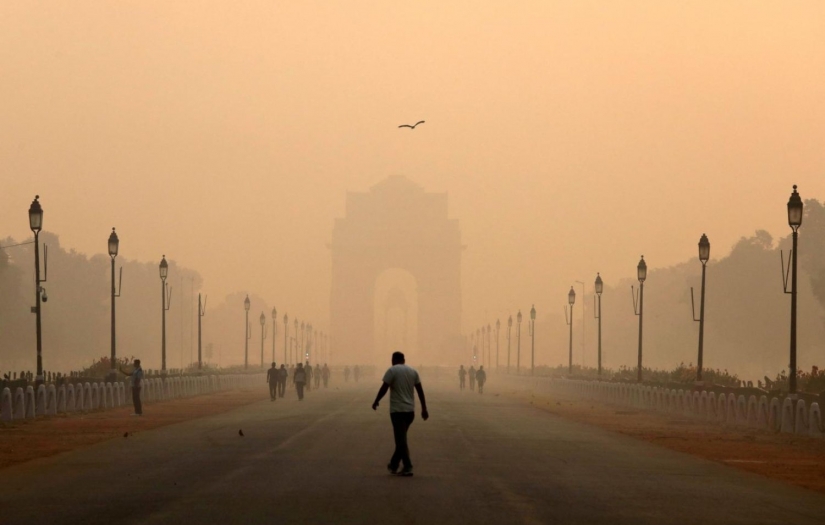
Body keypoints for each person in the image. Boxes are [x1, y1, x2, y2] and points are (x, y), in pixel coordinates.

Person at [372, 352, 429, 477]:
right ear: (404, 360)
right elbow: (420, 391)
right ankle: (393, 464)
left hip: (397, 411)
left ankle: (408, 466)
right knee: (401, 439)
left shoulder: (392, 370)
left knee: (401, 441)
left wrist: (376, 400)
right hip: (410, 412)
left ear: (393, 360)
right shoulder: (413, 371)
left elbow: (384, 387)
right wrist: (424, 408)